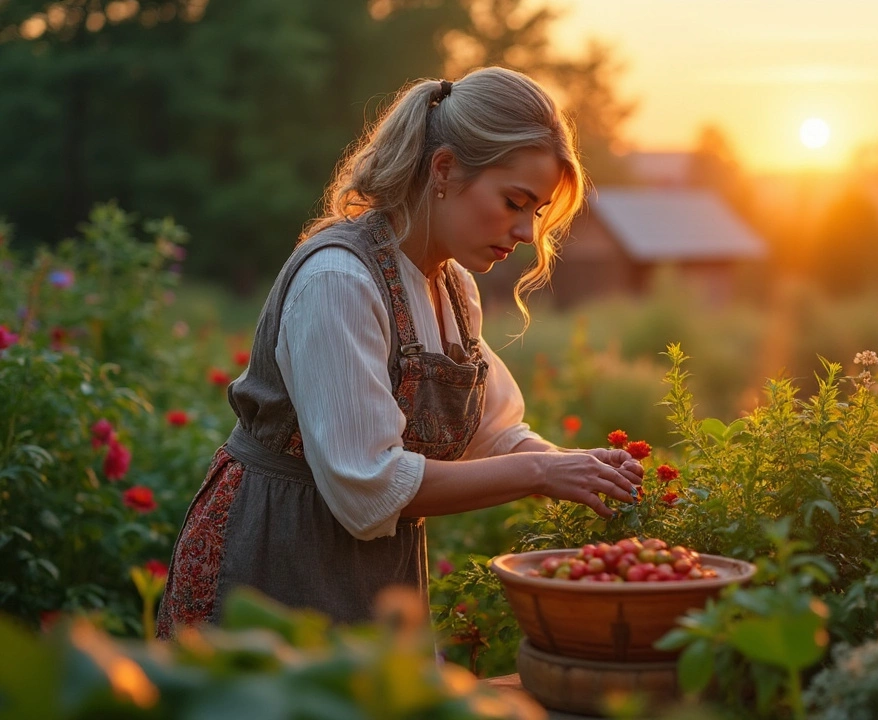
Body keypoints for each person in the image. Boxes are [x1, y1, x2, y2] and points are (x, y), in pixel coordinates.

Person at [156, 67, 643, 637]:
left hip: (372, 575)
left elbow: (494, 435)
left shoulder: (452, 288)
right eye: (514, 202)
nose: (527, 233)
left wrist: (576, 466)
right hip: (271, 562)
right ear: (444, 169)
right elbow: (370, 487)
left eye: (535, 212)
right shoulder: (339, 280)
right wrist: (542, 472)